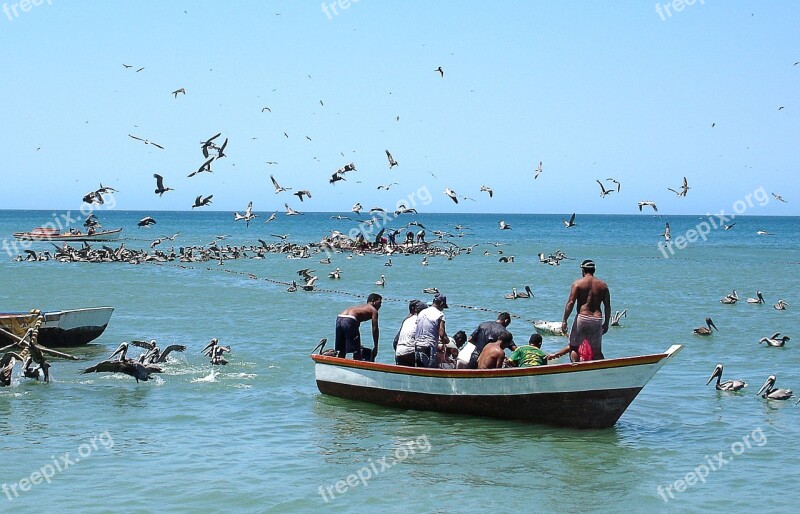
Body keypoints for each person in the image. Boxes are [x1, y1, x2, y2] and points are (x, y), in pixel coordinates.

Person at [549, 259, 610, 362]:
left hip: (582, 318)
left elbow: (570, 303)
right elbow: (607, 306)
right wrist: (606, 323)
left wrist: (564, 320)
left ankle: (576, 368)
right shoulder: (603, 285)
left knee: (574, 347)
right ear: (594, 270)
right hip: (597, 319)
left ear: (583, 270)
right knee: (596, 350)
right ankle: (603, 371)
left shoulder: (578, 284)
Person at [335, 293, 382, 361]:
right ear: (373, 301)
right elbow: (375, 329)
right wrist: (376, 346)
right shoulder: (373, 310)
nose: (380, 305)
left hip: (340, 318)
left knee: (342, 349)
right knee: (357, 351)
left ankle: (338, 364)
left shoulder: (361, 307)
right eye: (379, 302)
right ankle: (358, 367)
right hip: (350, 320)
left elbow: (356, 324)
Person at [413, 294, 449, 367]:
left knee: (419, 369)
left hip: (417, 345)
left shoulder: (422, 312)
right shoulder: (440, 315)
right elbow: (442, 334)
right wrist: (447, 340)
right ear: (442, 304)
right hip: (429, 347)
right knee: (430, 370)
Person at [395, 300, 427, 366]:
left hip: (399, 351)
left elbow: (395, 340)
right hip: (410, 352)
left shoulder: (407, 319)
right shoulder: (421, 320)